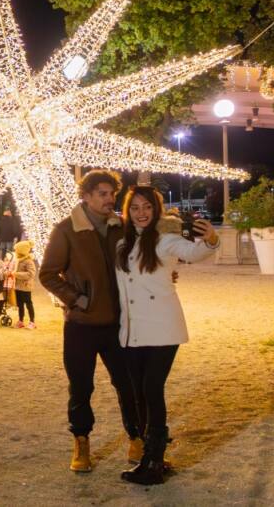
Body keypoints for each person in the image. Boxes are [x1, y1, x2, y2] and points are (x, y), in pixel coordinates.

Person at [115, 186, 219, 485]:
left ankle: (153, 460)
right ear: (127, 211)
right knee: (138, 394)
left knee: (151, 388)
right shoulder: (123, 243)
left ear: (156, 209)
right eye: (134, 207)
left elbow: (194, 252)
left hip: (162, 326)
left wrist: (210, 239)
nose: (141, 213)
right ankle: (155, 457)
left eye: (147, 207)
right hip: (132, 329)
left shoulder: (166, 240)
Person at [39, 169, 141, 474]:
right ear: (85, 196)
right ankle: (81, 442)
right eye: (103, 194)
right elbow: (47, 274)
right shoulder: (66, 230)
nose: (110, 199)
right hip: (81, 326)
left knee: (127, 384)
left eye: (112, 194)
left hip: (118, 323)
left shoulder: (121, 227)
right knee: (81, 387)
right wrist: (77, 299)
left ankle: (135, 437)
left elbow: (138, 263)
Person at [11, 240, 38, 329]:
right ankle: (21, 320)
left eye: (17, 250)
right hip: (18, 286)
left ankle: (32, 321)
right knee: (20, 304)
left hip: (26, 286)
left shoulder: (28, 261)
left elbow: (31, 274)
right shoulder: (17, 260)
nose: (15, 252)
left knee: (28, 303)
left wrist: (16, 274)